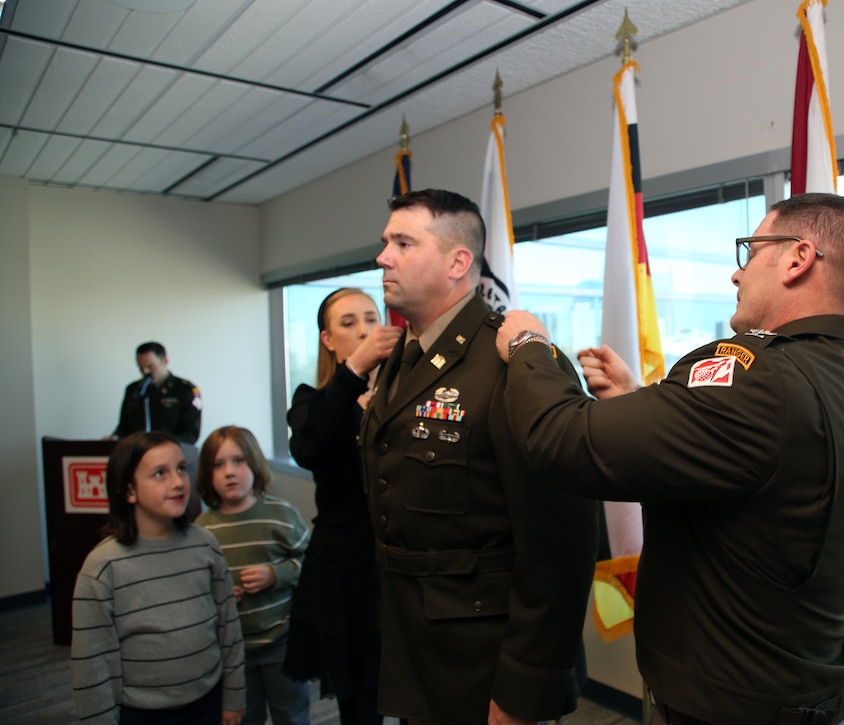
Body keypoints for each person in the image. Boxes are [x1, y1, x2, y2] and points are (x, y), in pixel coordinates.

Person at [496, 192, 844, 725]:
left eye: (750, 251)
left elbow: (564, 441)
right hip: (811, 694)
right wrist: (641, 404)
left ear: (798, 258)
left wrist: (529, 346)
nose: (737, 273)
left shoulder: (759, 376)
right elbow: (743, 480)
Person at [362, 188, 598, 724]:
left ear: (458, 261)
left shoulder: (515, 362)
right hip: (413, 644)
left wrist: (523, 691)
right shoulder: (402, 355)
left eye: (402, 242)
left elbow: (559, 548)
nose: (382, 257)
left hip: (485, 661)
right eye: (385, 242)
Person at [70, 431, 246, 724]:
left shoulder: (205, 545)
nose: (178, 482)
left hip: (208, 703)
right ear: (129, 491)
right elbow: (92, 666)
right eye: (160, 474)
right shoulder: (103, 567)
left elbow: (229, 628)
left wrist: (234, 696)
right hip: (142, 714)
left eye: (180, 469)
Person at [283, 288, 400, 724]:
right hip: (346, 568)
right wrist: (354, 371)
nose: (365, 329)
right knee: (360, 702)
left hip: (400, 565)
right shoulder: (312, 402)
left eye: (371, 318)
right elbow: (310, 446)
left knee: (415, 692)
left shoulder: (402, 397)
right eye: (348, 323)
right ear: (327, 339)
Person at [196, 426, 312, 725]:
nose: (229, 472)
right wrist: (215, 594)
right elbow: (194, 586)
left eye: (239, 461)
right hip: (231, 651)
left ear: (255, 463)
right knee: (244, 716)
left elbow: (311, 562)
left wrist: (276, 575)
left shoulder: (280, 515)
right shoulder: (202, 531)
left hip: (281, 641)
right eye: (218, 465)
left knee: (291, 713)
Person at [111, 342, 202, 444]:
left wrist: (161, 444)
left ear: (165, 361)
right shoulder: (133, 389)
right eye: (140, 367)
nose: (145, 372)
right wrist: (116, 437)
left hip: (173, 452)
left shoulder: (185, 389)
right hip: (138, 452)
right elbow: (124, 427)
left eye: (150, 366)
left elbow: (191, 434)